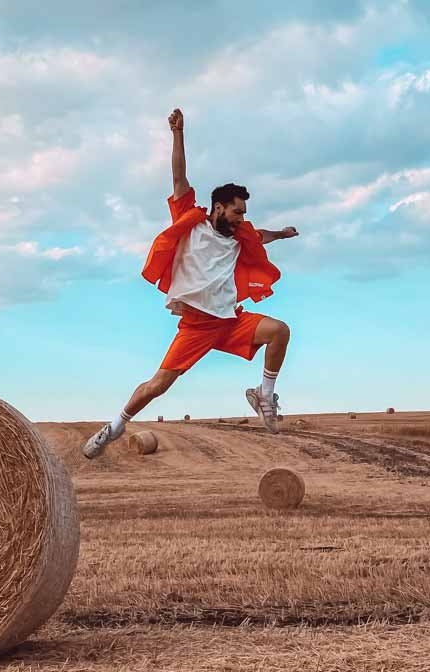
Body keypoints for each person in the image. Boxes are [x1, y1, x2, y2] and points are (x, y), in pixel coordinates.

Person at [82, 107, 300, 459]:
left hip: (229, 320)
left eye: (243, 212)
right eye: (237, 211)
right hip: (196, 325)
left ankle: (263, 393)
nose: (242, 217)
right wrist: (178, 133)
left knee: (280, 330)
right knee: (158, 386)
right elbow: (179, 177)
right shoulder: (191, 221)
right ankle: (114, 428)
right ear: (218, 207)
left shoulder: (240, 236)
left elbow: (262, 235)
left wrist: (283, 234)